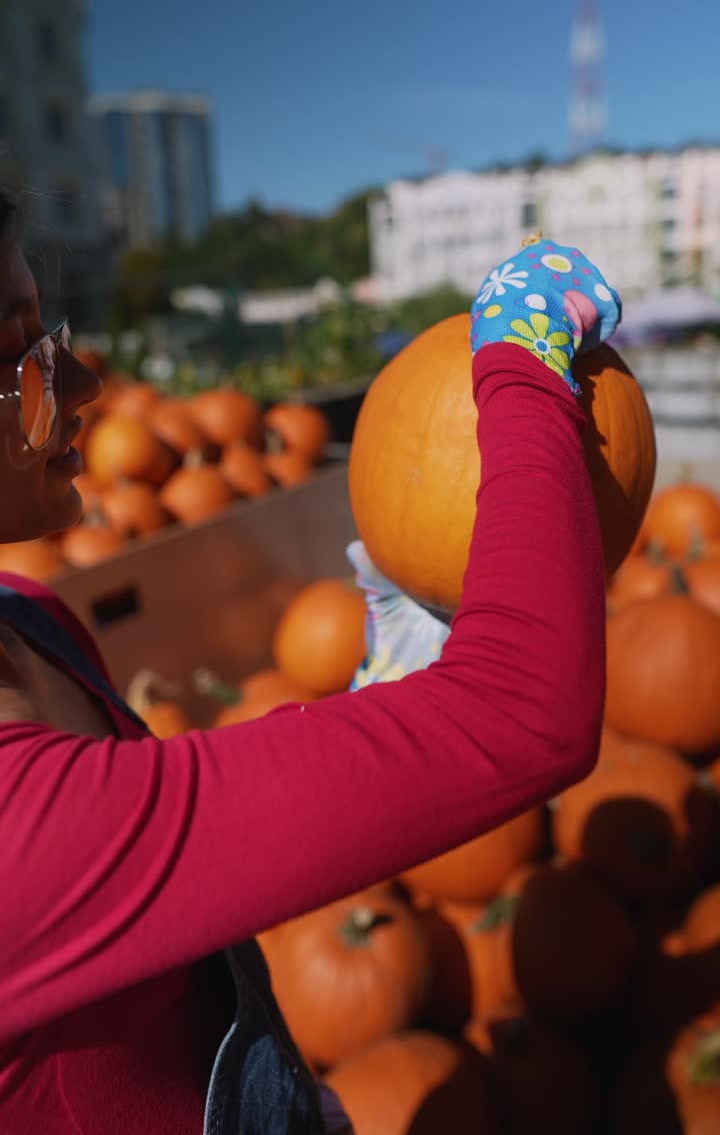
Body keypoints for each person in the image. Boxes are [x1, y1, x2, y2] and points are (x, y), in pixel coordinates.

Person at [0, 184, 619, 1134]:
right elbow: (529, 711)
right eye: (23, 357)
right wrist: (524, 366)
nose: (83, 385)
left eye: (57, 333)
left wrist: (388, 707)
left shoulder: (32, 618)